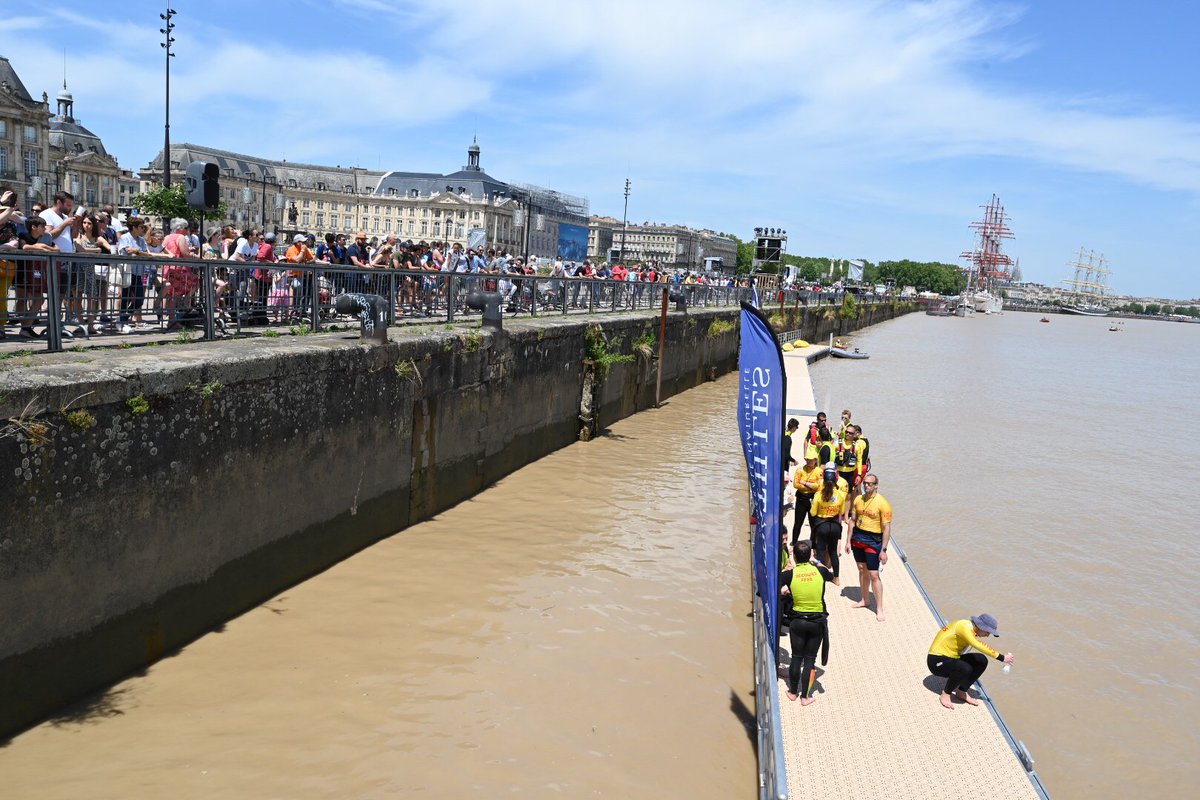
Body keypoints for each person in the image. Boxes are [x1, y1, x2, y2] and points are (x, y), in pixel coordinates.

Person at [779, 541, 833, 705]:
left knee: (796, 657)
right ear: (811, 555)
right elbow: (832, 575)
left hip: (798, 622)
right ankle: (805, 697)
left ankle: (792, 692)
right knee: (809, 660)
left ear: (794, 557)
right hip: (817, 622)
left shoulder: (790, 575)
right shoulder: (820, 571)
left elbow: (776, 585)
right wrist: (815, 561)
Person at [927, 613, 1014, 710]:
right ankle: (946, 694)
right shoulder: (964, 626)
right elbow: (977, 644)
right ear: (981, 626)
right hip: (936, 661)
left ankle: (962, 691)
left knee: (981, 660)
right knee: (965, 668)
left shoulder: (972, 629)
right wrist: (1002, 657)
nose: (988, 635)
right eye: (988, 632)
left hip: (951, 657)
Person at [847, 473, 892, 621]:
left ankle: (879, 608)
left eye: (869, 484)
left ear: (876, 486)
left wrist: (884, 550)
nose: (866, 486)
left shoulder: (883, 503)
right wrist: (848, 541)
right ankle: (864, 599)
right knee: (861, 569)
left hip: (874, 540)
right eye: (865, 483)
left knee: (874, 574)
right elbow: (852, 521)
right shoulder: (858, 499)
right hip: (858, 537)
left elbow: (886, 528)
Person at [809, 464, 848, 584]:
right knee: (833, 552)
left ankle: (821, 577)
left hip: (822, 525)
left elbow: (813, 512)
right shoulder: (841, 495)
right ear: (836, 479)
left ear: (824, 481)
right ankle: (836, 578)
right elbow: (841, 512)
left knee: (820, 551)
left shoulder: (818, 495)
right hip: (835, 526)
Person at [791, 452, 823, 546]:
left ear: (815, 460)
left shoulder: (819, 471)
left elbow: (819, 486)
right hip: (801, 498)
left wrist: (805, 483)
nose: (809, 461)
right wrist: (810, 487)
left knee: (813, 523)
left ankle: (813, 544)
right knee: (798, 522)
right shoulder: (800, 469)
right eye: (807, 459)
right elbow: (796, 484)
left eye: (811, 459)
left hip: (812, 499)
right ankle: (794, 542)